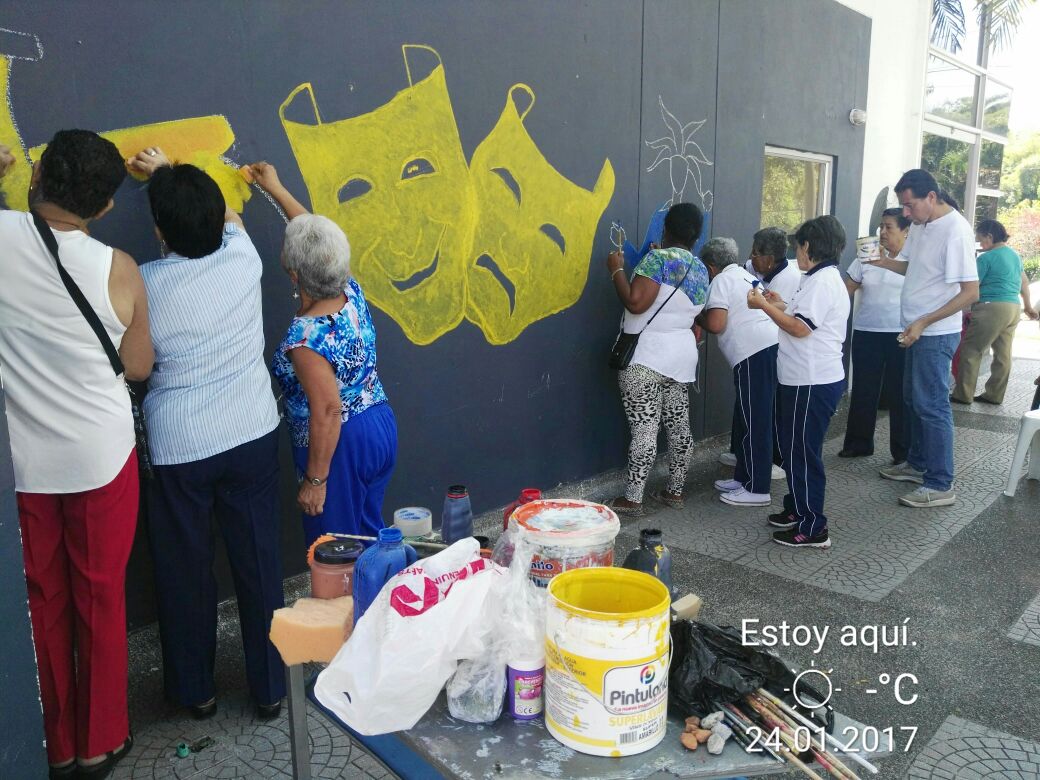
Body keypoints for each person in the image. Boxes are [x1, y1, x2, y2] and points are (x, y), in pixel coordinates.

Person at [0, 132, 152, 777]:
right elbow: (139, 365)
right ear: (107, 208)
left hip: (25, 464)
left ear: (36, 177)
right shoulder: (117, 265)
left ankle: (54, 742)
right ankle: (100, 740)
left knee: (42, 599)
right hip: (101, 456)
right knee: (101, 596)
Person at [126, 148, 286, 722]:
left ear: (158, 232)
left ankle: (196, 691)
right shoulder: (245, 260)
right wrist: (172, 168)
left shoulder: (142, 283)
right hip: (251, 432)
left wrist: (159, 179)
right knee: (261, 563)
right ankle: (271, 689)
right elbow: (233, 223)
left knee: (185, 571)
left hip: (181, 447)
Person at [249, 162, 398, 547]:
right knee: (367, 543)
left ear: (294, 275)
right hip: (377, 425)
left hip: (341, 446)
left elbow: (328, 410)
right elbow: (316, 241)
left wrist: (316, 482)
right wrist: (277, 189)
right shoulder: (349, 288)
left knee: (335, 554)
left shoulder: (306, 338)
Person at [870, 169, 979, 508]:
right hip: (915, 330)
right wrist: (883, 262)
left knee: (932, 406)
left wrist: (925, 321)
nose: (905, 213)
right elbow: (911, 267)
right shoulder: (921, 225)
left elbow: (970, 292)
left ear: (931, 197)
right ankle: (918, 465)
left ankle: (940, 483)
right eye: (903, 206)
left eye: (909, 205)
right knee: (912, 399)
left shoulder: (956, 231)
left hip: (934, 333)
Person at [748, 215, 849, 548]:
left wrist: (763, 305)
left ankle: (813, 526)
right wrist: (779, 303)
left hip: (811, 380)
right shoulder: (818, 278)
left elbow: (800, 328)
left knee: (802, 453)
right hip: (802, 379)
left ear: (809, 246)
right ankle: (798, 508)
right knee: (794, 449)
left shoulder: (824, 281)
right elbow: (799, 316)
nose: (795, 254)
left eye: (798, 246)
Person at [605, 203, 709, 516]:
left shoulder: (658, 260)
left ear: (667, 228)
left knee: (645, 430)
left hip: (645, 360)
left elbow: (636, 303)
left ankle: (633, 498)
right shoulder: (701, 268)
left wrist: (616, 270)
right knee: (680, 428)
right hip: (680, 360)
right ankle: (674, 491)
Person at [698, 237, 779, 507]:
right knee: (749, 417)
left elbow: (717, 323)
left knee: (755, 420)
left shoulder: (721, 280)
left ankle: (757, 488)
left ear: (711, 267)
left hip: (752, 353)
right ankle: (744, 478)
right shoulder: (745, 275)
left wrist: (695, 312)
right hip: (765, 348)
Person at [839, 208, 910, 462]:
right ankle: (858, 443)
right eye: (881, 226)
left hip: (900, 333)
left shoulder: (912, 257)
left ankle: (902, 451)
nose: (882, 232)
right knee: (863, 390)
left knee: (899, 394)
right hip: (867, 331)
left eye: (889, 227)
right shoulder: (866, 255)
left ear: (905, 230)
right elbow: (848, 287)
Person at [950, 218, 1038, 405]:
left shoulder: (986, 258)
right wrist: (1028, 307)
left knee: (971, 350)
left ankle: (963, 395)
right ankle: (994, 395)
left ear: (990, 236)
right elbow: (1023, 283)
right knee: (1003, 354)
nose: (980, 244)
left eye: (981, 239)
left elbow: (972, 287)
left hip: (991, 307)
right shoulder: (1015, 256)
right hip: (1013, 308)